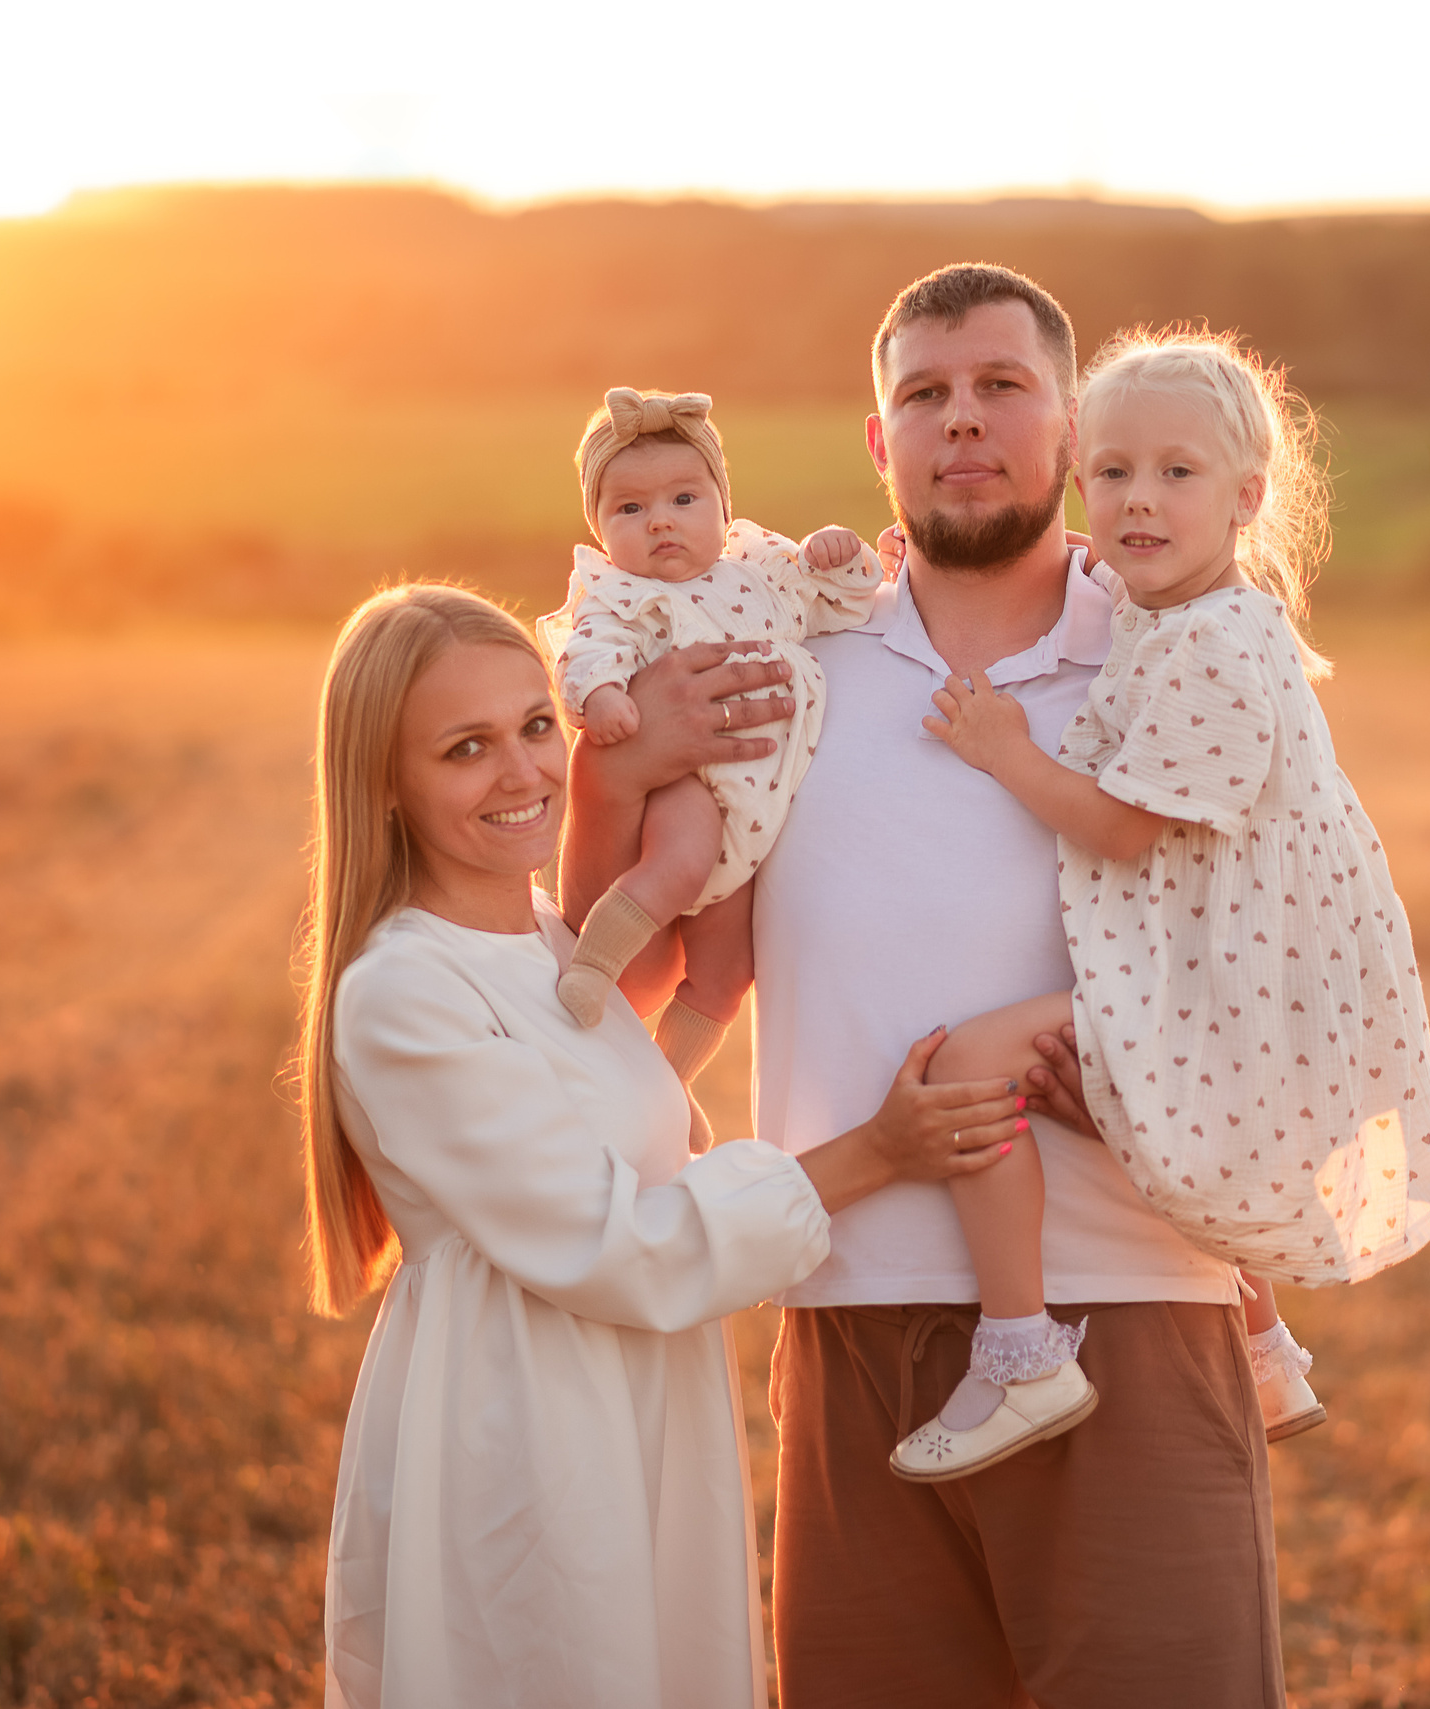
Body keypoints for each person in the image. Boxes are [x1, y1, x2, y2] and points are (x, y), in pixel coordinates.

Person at [566, 265, 1286, 1707]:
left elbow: (1284, 959)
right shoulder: (787, 653)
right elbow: (624, 979)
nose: (964, 421)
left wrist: (1149, 1063)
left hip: (1129, 1298)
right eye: (925, 394)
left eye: (1003, 387)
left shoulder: (1185, 644)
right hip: (847, 1307)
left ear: (1074, 429)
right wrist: (618, 768)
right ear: (878, 444)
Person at [295, 583, 1026, 1708]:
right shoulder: (402, 989)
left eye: (536, 725)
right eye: (464, 748)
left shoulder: (556, 947)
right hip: (525, 1424)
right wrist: (875, 1150)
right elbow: (620, 1242)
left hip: (638, 1397)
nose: (521, 771)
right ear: (383, 785)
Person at [898, 328, 1430, 1482]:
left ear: (1249, 494)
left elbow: (1116, 824)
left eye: (1175, 474)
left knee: (966, 1066)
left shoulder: (1211, 651)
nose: (1136, 502)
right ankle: (1262, 1346)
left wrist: (1005, 748)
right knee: (1168, 1119)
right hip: (1225, 964)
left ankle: (1021, 1348)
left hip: (1220, 982)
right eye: (1111, 474)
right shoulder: (1187, 610)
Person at [537, 387, 885, 1150]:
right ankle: (591, 969)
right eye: (629, 509)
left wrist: (840, 552)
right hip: (692, 781)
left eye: (683, 497)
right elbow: (585, 650)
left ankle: (666, 1083)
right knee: (678, 865)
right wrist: (599, 696)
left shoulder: (759, 565)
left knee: (730, 970)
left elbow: (846, 600)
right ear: (599, 527)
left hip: (761, 807)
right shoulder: (619, 593)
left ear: (722, 508)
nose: (659, 519)